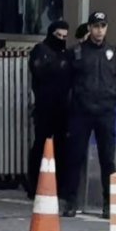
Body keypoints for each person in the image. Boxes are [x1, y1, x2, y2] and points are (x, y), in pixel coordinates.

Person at [63, 11, 116, 219]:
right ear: (89, 28)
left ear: (106, 28)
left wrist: (110, 93)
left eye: (102, 26)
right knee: (74, 157)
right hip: (81, 112)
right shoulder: (77, 52)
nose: (99, 30)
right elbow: (66, 80)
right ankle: (71, 202)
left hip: (105, 112)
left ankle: (108, 204)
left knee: (107, 159)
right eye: (95, 26)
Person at [27, 20, 72, 199]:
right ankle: (34, 184)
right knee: (41, 146)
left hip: (62, 108)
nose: (61, 39)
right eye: (58, 36)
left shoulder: (65, 54)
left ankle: (58, 184)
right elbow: (40, 72)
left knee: (61, 147)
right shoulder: (40, 51)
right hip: (45, 106)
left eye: (64, 37)